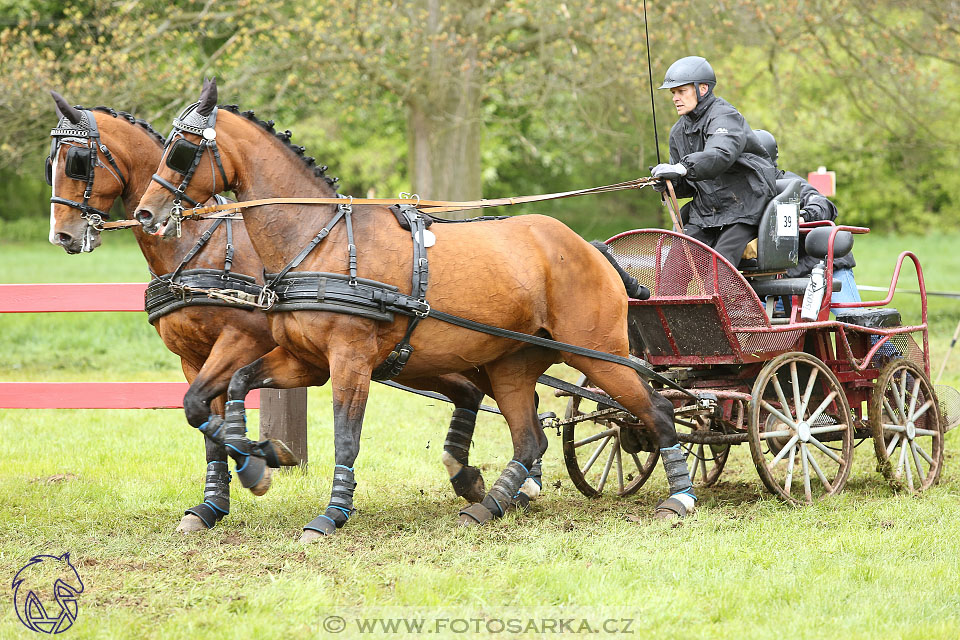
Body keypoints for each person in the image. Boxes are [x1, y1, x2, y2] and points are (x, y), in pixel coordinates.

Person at [651, 56, 778, 268]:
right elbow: (687, 186)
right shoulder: (677, 133)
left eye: (682, 91)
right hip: (706, 213)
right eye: (673, 93)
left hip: (745, 207)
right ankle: (670, 302)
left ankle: (726, 302)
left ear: (702, 89)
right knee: (674, 268)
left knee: (720, 268)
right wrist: (668, 183)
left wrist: (682, 168)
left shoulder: (725, 116)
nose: (675, 98)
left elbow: (720, 154)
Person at [753, 129, 861, 307]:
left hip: (824, 268)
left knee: (853, 321)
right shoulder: (746, 194)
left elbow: (823, 204)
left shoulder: (790, 184)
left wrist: (804, 215)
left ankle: (876, 337)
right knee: (762, 328)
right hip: (784, 277)